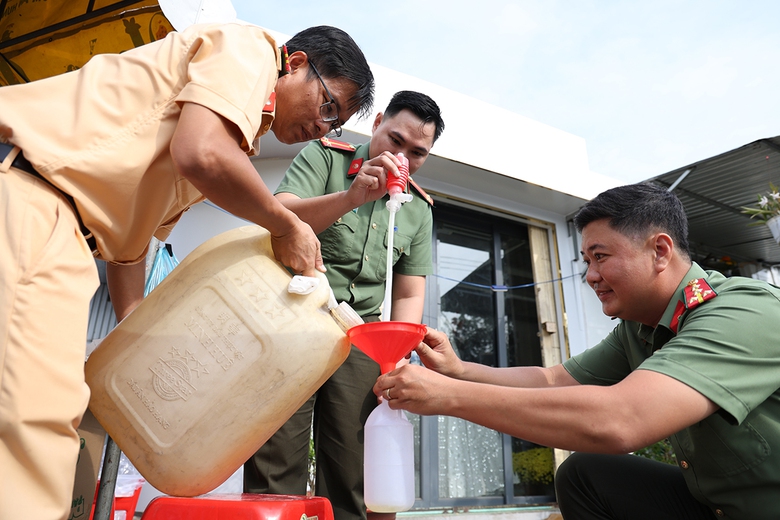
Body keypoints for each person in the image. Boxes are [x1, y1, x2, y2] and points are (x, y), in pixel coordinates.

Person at [0, 22, 374, 520]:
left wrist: (136, 332)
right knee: (37, 419)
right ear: (298, 63)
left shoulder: (233, 137)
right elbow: (200, 153)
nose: (323, 128)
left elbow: (130, 247)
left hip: (66, 230)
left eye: (336, 124)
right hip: (33, 196)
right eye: (328, 106)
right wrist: (285, 225)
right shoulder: (250, 51)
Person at [374, 183, 780, 520]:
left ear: (660, 251)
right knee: (585, 475)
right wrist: (458, 371)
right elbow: (552, 381)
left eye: (601, 257)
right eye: (586, 260)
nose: (591, 276)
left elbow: (621, 420)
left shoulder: (743, 311)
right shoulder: (640, 329)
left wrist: (447, 397)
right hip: (715, 506)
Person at [244, 90, 445, 520]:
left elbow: (409, 292)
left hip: (362, 338)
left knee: (354, 467)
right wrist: (352, 196)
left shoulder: (420, 209)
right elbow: (283, 219)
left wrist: (397, 357)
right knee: (276, 458)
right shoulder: (324, 157)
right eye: (395, 140)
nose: (403, 156)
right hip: (294, 322)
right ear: (376, 125)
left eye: (418, 152)